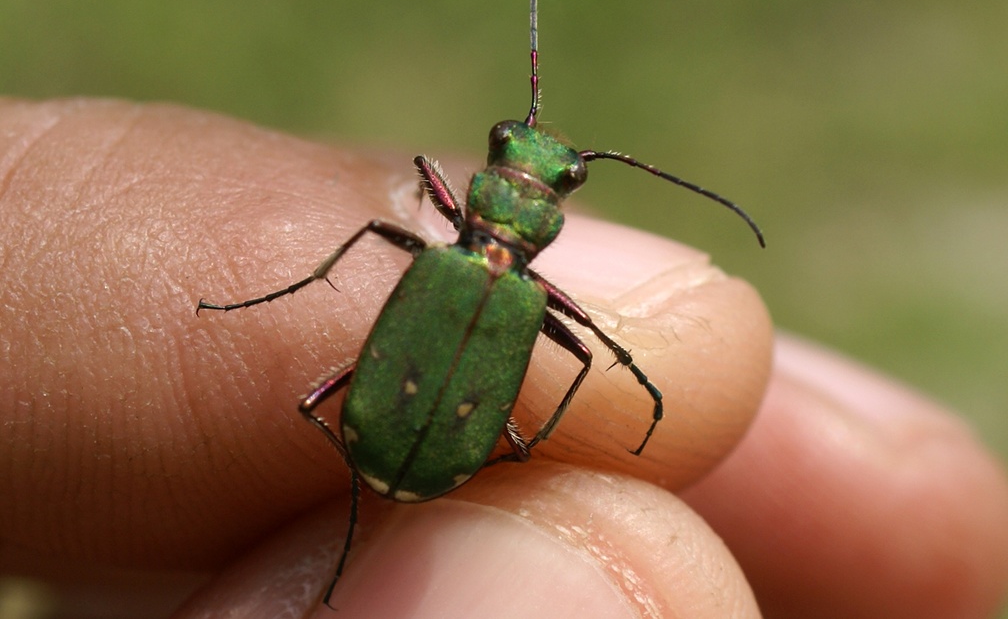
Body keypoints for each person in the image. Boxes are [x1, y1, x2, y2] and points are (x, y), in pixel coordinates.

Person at [2, 98, 1006, 618]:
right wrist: (530, 442)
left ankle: (396, 486)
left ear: (485, 194)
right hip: (448, 439)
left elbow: (370, 235)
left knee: (369, 322)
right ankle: (486, 461)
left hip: (399, 422)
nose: (531, 167)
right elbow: (588, 363)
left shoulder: (440, 245)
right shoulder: (537, 298)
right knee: (615, 360)